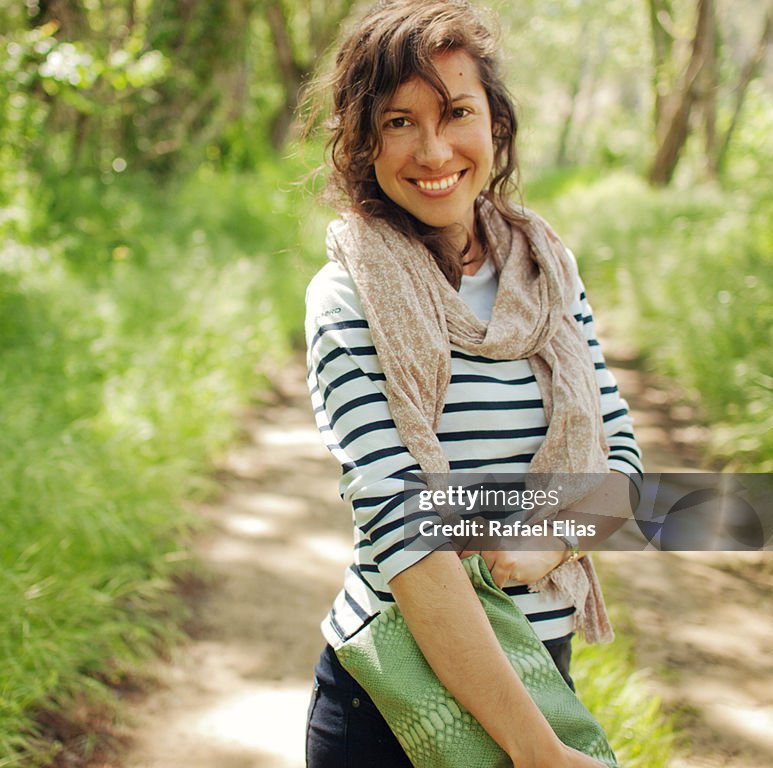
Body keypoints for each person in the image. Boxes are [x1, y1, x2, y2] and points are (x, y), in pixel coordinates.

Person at [300, 1, 644, 766]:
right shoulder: (346, 295)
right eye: (397, 122)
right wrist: (539, 754)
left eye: (457, 111)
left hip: (540, 673)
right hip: (397, 706)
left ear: (496, 126)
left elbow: (622, 466)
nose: (432, 150)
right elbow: (407, 535)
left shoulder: (547, 272)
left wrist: (552, 537)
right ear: (363, 141)